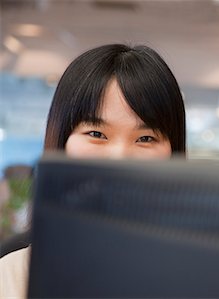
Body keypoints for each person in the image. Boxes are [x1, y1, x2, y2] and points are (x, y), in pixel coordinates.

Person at [0, 43, 186, 298]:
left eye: (145, 138)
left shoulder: (203, 276)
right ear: (61, 143)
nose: (119, 157)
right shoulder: (13, 275)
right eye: (96, 134)